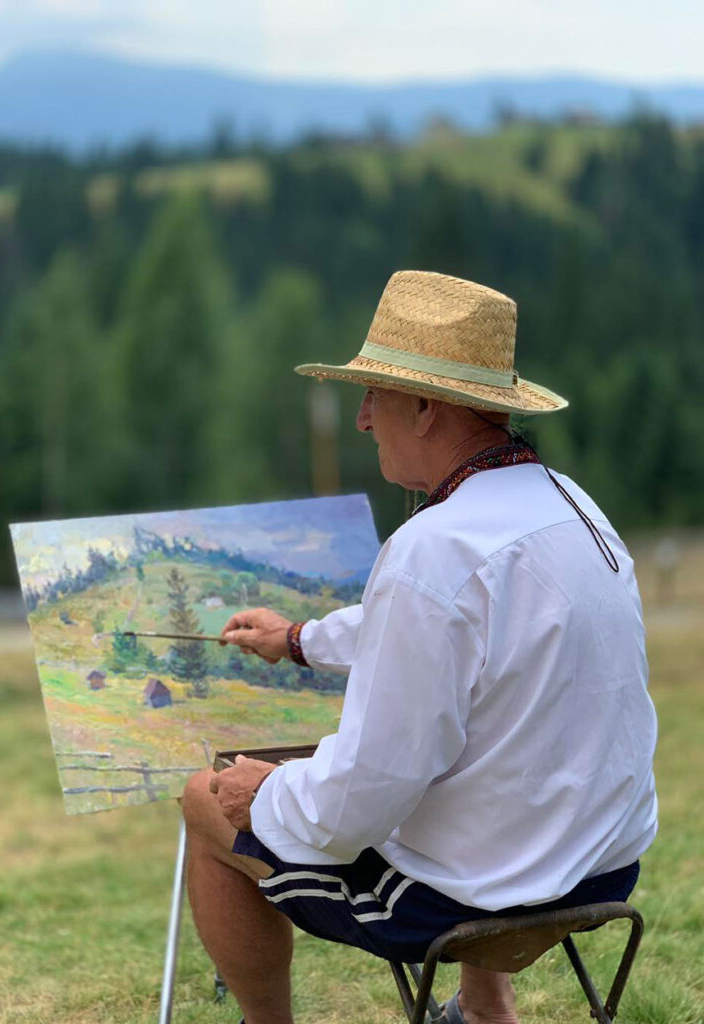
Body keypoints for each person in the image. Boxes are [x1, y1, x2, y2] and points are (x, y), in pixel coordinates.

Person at [181, 271, 658, 1024]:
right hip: (602, 868)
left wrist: (261, 794)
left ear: (426, 406)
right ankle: (483, 1013)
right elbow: (449, 628)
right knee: (479, 762)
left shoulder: (431, 549)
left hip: (472, 895)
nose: (364, 419)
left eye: (374, 395)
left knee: (203, 801)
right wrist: (300, 639)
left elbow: (364, 794)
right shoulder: (572, 507)